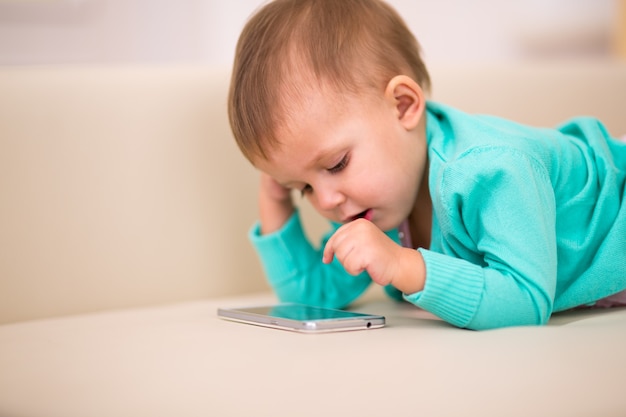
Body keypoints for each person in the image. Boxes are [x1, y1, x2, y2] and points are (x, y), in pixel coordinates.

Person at [227, 0, 626, 330]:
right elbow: (314, 295)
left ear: (403, 106)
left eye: (336, 164)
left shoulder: (490, 172)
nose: (327, 200)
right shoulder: (370, 205)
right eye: (304, 188)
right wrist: (277, 201)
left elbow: (526, 301)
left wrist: (404, 265)